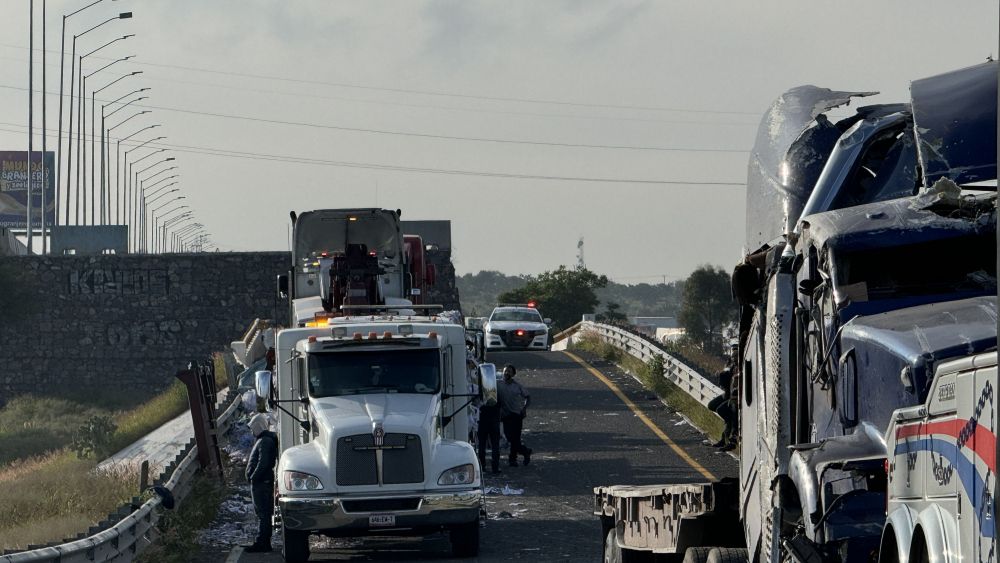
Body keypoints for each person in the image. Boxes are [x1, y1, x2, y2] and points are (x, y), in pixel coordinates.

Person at [244, 414, 278, 553]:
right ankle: (264, 542)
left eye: (253, 428)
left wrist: (253, 477)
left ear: (258, 426)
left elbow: (262, 463)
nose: (252, 431)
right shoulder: (265, 440)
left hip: (261, 483)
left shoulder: (264, 441)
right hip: (262, 482)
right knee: (263, 513)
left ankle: (262, 542)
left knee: (263, 514)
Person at [497, 364, 532, 466]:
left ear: (513, 374)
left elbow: (528, 397)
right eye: (505, 371)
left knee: (515, 439)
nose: (506, 373)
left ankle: (513, 459)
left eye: (509, 371)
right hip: (505, 415)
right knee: (509, 438)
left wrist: (524, 409)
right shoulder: (498, 384)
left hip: (516, 415)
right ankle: (525, 451)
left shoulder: (517, 386)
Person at [707, 367, 737, 450]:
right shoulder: (733, 363)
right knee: (712, 405)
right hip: (729, 391)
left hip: (735, 393)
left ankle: (727, 439)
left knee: (722, 410)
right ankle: (726, 435)